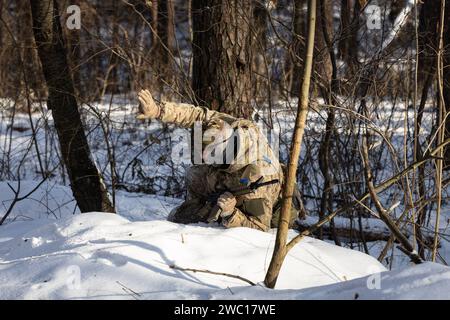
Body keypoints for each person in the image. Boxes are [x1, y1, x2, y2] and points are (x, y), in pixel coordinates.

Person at [137, 89, 301, 232]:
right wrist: (158, 111)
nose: (204, 158)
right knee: (195, 175)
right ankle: (201, 206)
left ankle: (210, 213)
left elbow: (260, 227)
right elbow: (197, 114)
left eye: (211, 155)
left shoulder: (259, 178)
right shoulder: (230, 126)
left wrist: (231, 213)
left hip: (254, 196)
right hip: (231, 176)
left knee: (193, 212)